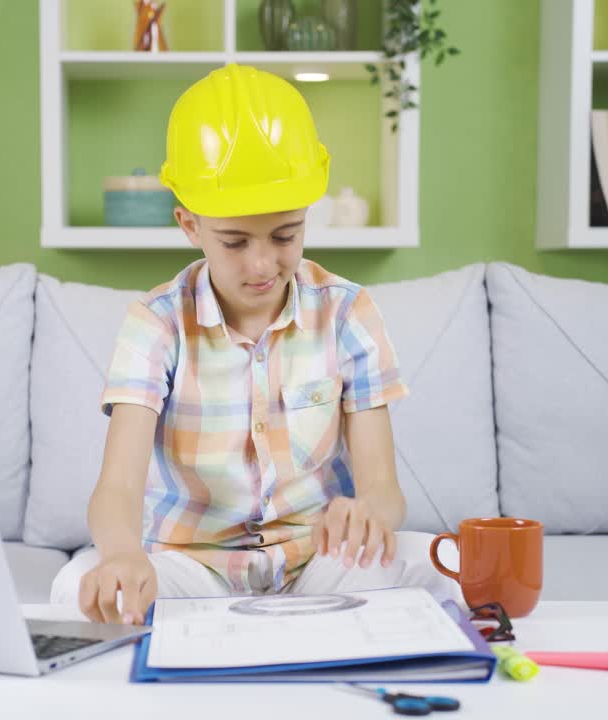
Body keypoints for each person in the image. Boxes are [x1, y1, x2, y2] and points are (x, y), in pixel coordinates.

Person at [49, 64, 460, 624]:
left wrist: (368, 515)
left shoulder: (346, 312)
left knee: (444, 563)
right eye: (235, 241)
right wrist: (122, 555)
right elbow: (116, 486)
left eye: (285, 235)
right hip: (194, 569)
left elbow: (384, 489)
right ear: (190, 225)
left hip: (324, 562)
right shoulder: (156, 323)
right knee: (75, 586)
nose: (263, 263)